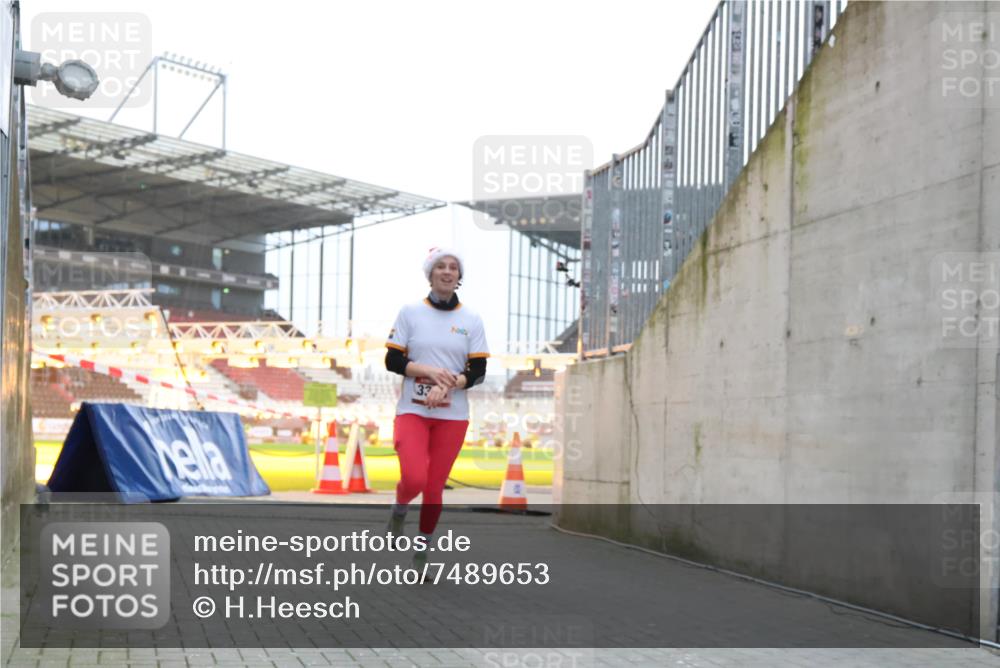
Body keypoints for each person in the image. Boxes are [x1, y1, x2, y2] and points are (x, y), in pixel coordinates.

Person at [384, 247, 488, 568]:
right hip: (413, 412)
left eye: (453, 268)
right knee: (414, 479)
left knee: (433, 488)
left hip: (452, 416)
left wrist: (449, 384)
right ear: (430, 274)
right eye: (440, 266)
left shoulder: (471, 319)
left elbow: (478, 372)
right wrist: (428, 372)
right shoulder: (410, 312)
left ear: (459, 277)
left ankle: (421, 553)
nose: (447, 271)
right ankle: (400, 509)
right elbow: (393, 360)